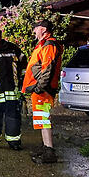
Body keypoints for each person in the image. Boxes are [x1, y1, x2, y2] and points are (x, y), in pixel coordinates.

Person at [22, 20, 64, 163]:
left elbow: (48, 69)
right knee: (41, 119)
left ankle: (49, 152)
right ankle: (46, 148)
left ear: (44, 29)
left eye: (36, 28)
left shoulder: (49, 45)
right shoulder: (44, 44)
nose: (34, 30)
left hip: (43, 90)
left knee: (44, 119)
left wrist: (39, 87)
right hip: (41, 89)